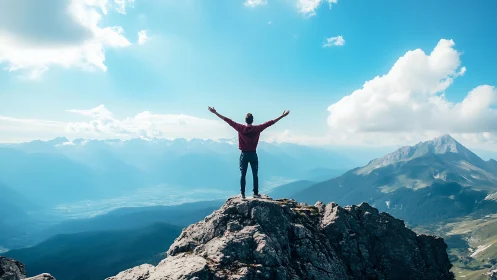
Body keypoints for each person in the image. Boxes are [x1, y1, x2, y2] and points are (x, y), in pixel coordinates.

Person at [208, 106, 290, 199]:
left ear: (245, 120)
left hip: (244, 155)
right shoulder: (257, 129)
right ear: (252, 120)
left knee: (243, 174)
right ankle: (255, 193)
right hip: (253, 154)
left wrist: (215, 113)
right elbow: (270, 123)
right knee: (255, 174)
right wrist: (282, 116)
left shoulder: (240, 128)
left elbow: (227, 120)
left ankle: (242, 194)